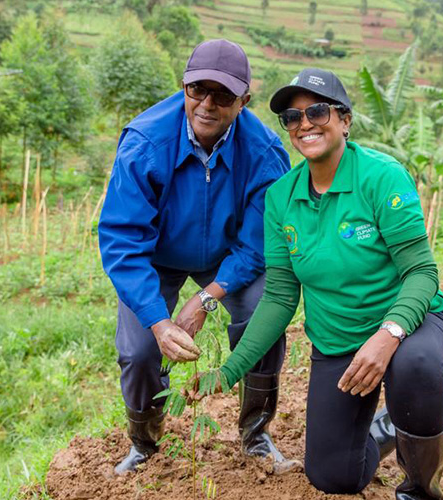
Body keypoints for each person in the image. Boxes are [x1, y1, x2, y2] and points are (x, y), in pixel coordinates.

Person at [188, 69, 443, 499]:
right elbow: (278, 297)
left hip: (411, 323)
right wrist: (228, 371)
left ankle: (419, 490)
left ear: (344, 119)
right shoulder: (281, 198)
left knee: (416, 365)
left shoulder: (382, 177)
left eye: (317, 110)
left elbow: (422, 274)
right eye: (292, 117)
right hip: (338, 342)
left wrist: (388, 335)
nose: (305, 123)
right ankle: (392, 426)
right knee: (334, 477)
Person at [98, 39, 298, 475]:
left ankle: (256, 433)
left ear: (244, 100)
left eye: (223, 95)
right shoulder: (145, 142)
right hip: (156, 257)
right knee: (137, 350)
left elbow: (259, 243)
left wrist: (207, 297)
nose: (207, 104)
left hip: (227, 257)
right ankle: (144, 442)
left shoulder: (264, 154)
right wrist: (158, 320)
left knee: (264, 315)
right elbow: (123, 239)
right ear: (183, 86)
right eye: (197, 90)